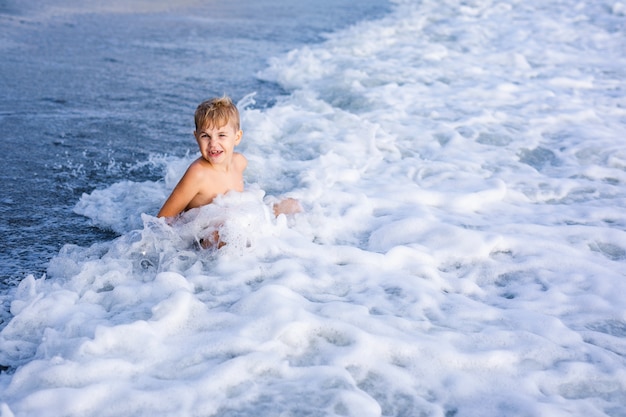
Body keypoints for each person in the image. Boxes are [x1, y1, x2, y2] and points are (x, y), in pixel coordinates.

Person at [157, 96, 301, 246]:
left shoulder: (239, 162)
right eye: (205, 136)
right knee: (227, 236)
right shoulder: (198, 174)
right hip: (203, 236)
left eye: (222, 135)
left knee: (292, 205)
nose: (213, 144)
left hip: (237, 221)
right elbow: (162, 220)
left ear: (237, 137)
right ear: (196, 137)